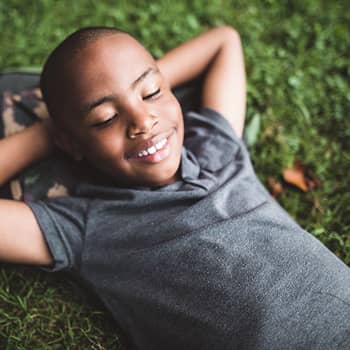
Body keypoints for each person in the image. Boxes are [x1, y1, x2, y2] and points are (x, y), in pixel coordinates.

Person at [1, 25, 350, 350]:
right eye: (106, 118)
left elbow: (223, 40)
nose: (143, 120)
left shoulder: (217, 144)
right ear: (71, 144)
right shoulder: (87, 226)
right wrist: (48, 135)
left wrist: (129, 90)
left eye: (151, 92)